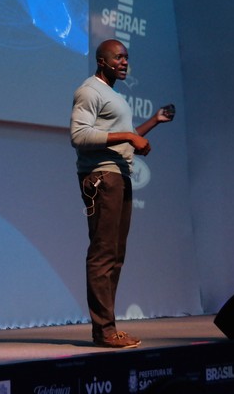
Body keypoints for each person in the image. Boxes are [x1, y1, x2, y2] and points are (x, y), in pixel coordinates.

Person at [70, 39, 174, 348]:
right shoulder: (90, 90)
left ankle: (108, 327)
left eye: (126, 58)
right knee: (103, 253)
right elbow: (79, 135)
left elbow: (121, 140)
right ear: (102, 61)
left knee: (115, 255)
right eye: (118, 57)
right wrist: (129, 135)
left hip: (119, 175)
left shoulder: (113, 95)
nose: (124, 62)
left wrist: (153, 122)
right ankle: (104, 330)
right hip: (102, 177)